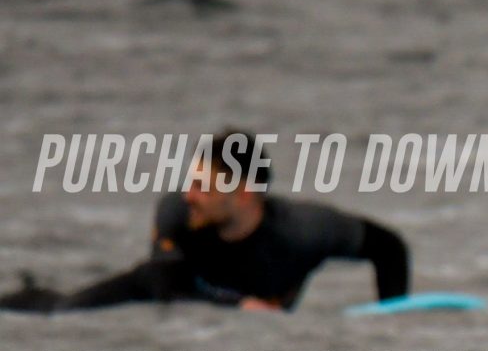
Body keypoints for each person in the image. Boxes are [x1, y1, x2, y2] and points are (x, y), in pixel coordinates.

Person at [3, 129, 409, 313]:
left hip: (245, 325)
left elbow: (389, 248)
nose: (188, 195)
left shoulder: (305, 231)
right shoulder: (177, 215)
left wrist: (391, 317)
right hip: (148, 296)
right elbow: (166, 286)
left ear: (243, 193)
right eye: (190, 182)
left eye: (203, 186)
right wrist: (239, 306)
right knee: (60, 310)